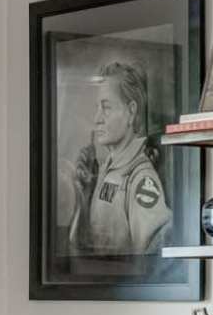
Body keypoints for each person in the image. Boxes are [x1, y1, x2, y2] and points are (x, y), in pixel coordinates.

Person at [62, 57, 168, 263]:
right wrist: (84, 198)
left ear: (131, 111)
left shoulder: (141, 179)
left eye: (106, 107)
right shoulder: (103, 171)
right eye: (97, 108)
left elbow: (154, 259)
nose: (97, 118)